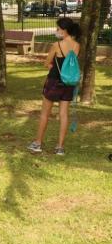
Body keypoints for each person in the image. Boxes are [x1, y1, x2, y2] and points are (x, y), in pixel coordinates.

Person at [27, 17, 81, 156]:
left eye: (58, 29)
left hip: (54, 82)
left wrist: (52, 67)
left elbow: (47, 63)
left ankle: (37, 143)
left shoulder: (57, 45)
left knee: (45, 113)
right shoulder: (76, 45)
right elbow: (71, 64)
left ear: (65, 30)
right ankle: (60, 147)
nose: (56, 31)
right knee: (64, 114)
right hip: (68, 83)